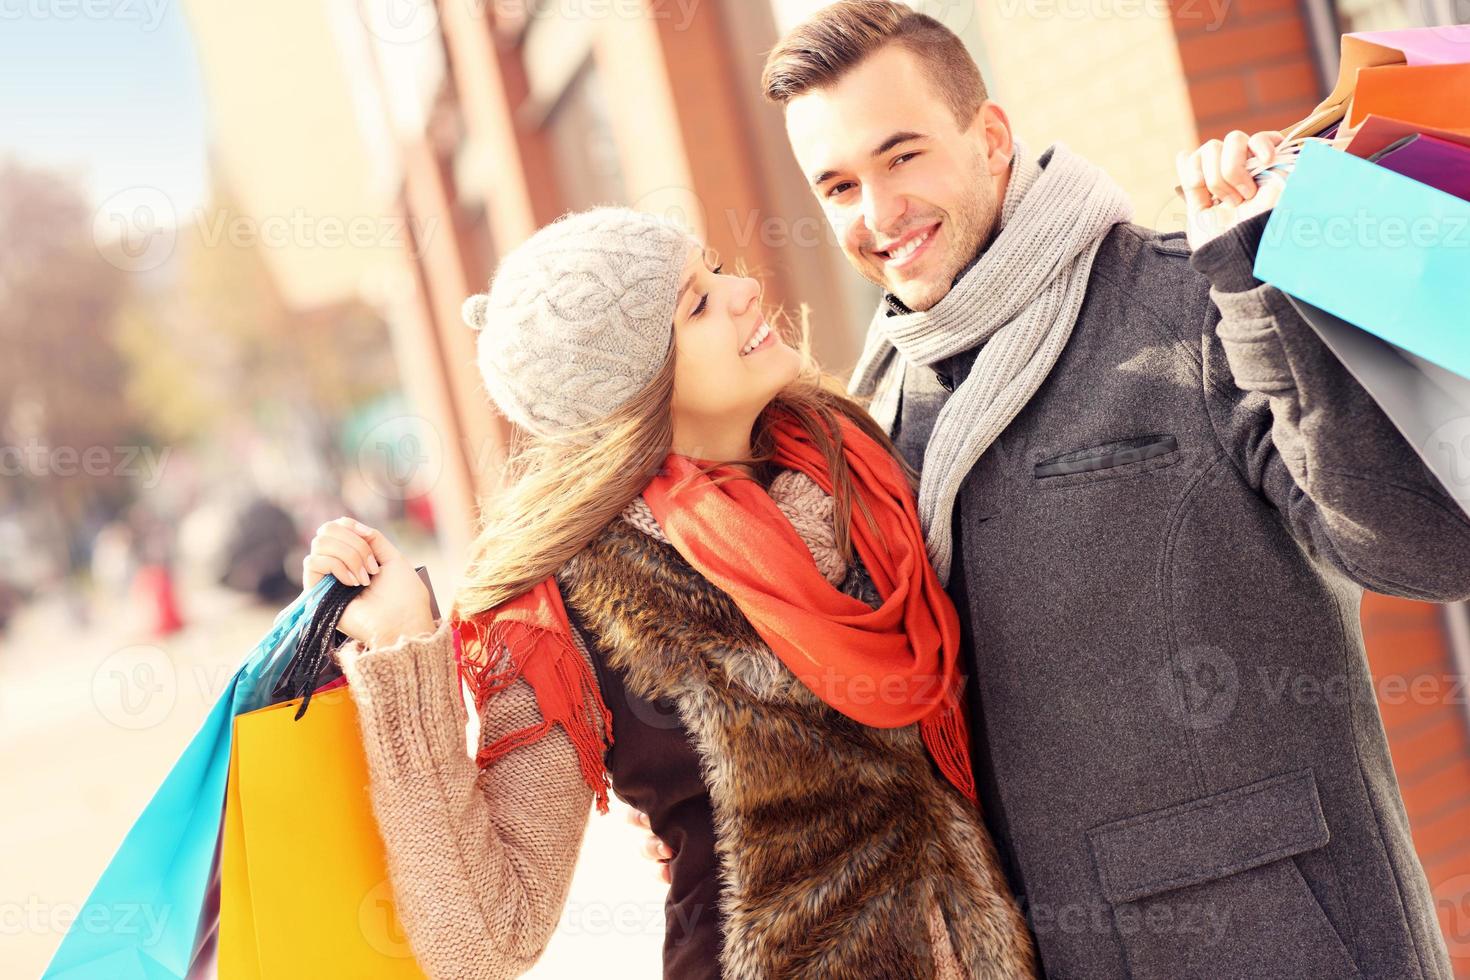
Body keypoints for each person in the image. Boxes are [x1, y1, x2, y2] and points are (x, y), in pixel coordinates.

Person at [632, 3, 1470, 977]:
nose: (879, 211)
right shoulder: (871, 420)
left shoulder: (1195, 301)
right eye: (839, 183)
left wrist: (1256, 273)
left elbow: (1422, 546)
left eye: (903, 156)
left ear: (990, 138)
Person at [310, 207, 1039, 979]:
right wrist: (398, 651)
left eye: (716, 269)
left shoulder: (861, 467)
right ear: (637, 390)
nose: (747, 291)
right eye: (696, 302)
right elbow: (484, 943)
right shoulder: (572, 612)